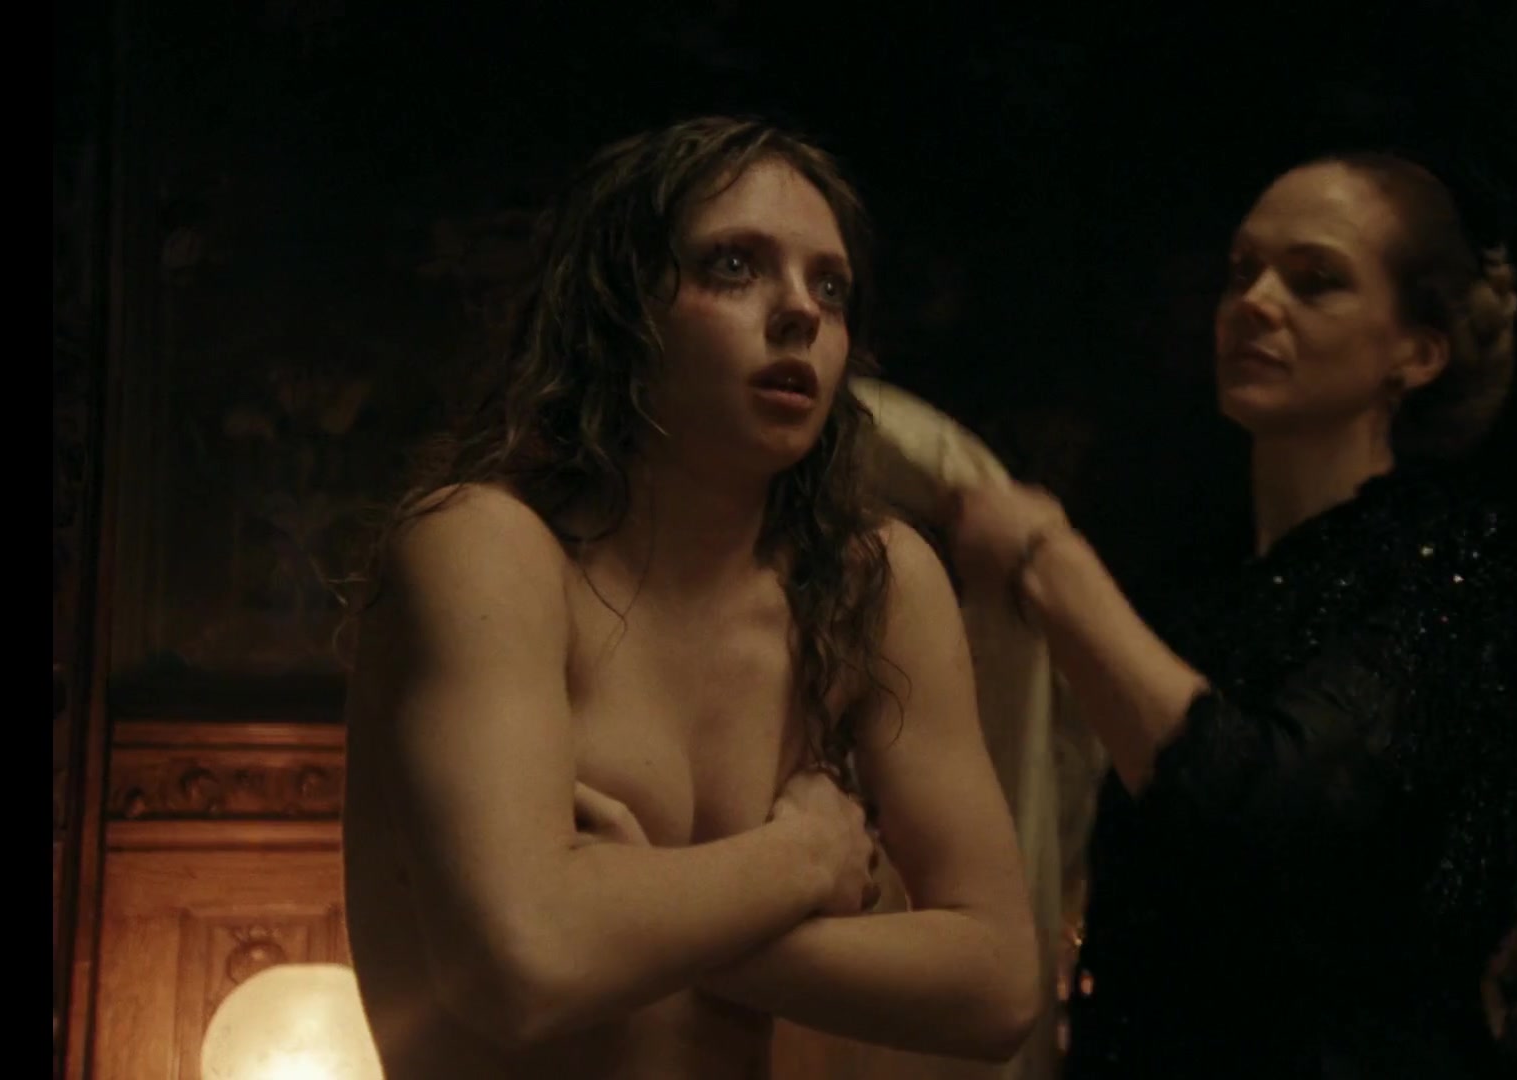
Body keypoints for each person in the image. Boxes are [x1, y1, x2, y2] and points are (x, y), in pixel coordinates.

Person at [339, 116, 1042, 1079]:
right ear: (618, 308)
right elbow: (520, 966)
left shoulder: (869, 584)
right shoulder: (483, 548)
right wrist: (805, 857)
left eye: (830, 287)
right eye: (734, 266)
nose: (799, 314)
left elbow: (999, 984)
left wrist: (638, 914)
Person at [946, 151, 1517, 1077]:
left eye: (1315, 280)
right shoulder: (1200, 582)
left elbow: (1263, 817)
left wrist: (1047, 561)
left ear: (1418, 352)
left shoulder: (1451, 571)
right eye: (1241, 272)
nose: (1254, 302)